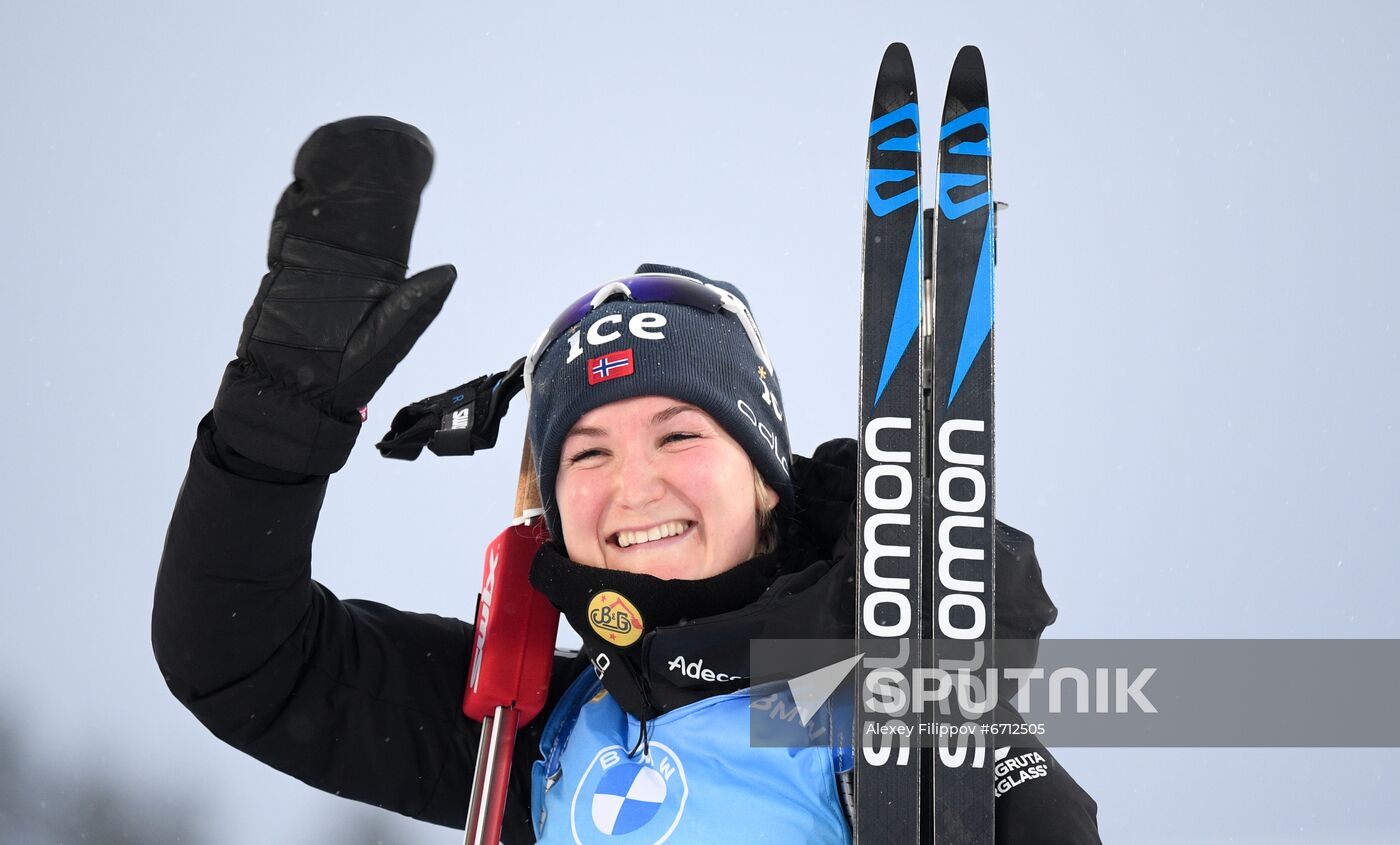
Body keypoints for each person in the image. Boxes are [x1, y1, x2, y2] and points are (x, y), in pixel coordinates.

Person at [152, 117, 1101, 843]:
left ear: (768, 476)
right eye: (589, 452)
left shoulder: (899, 717)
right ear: (552, 509)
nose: (634, 485)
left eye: (679, 434)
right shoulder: (525, 735)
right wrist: (278, 410)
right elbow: (242, 659)